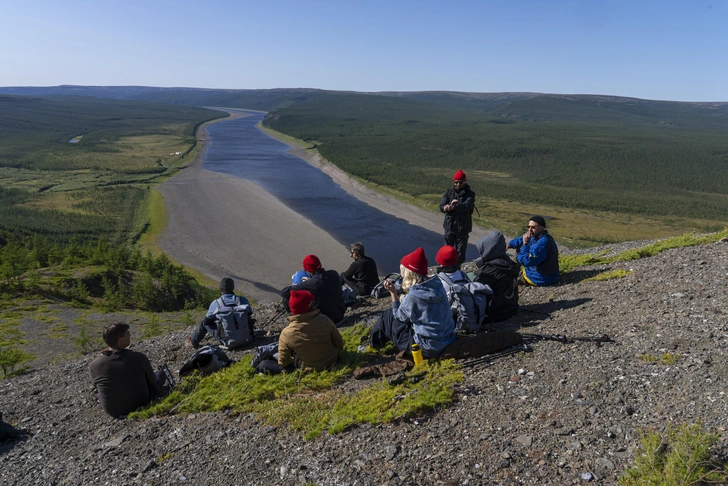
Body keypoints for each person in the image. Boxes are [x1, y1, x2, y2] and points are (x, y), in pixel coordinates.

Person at [369, 247, 455, 358]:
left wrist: (393, 293)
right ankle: (376, 342)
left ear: (409, 273)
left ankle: (373, 345)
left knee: (388, 315)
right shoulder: (438, 285)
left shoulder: (413, 297)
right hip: (448, 339)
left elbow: (399, 316)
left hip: (427, 348)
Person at [255, 290, 344, 374]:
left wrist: (295, 358)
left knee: (263, 364)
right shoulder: (324, 320)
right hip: (332, 361)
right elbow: (339, 343)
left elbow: (283, 362)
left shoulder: (287, 333)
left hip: (308, 369)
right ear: (310, 305)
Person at [89, 323, 165, 418]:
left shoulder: (94, 365)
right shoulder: (139, 358)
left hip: (113, 411)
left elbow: (96, 386)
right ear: (120, 340)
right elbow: (152, 381)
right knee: (160, 374)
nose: (130, 335)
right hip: (141, 403)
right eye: (127, 333)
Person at [189, 277, 253, 349]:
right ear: (233, 287)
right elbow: (249, 314)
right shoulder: (243, 300)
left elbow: (207, 322)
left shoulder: (216, 303)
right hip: (247, 338)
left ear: (221, 289)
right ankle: (244, 334)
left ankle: (193, 342)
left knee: (203, 322)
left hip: (228, 341)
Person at [281, 255, 346, 324]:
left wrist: (304, 284)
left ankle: (296, 322)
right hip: (340, 315)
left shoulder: (313, 283)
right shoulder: (334, 273)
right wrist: (309, 282)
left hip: (326, 320)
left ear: (307, 270)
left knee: (287, 298)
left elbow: (284, 292)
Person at [473, 231, 520, 321]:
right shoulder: (509, 263)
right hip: (510, 309)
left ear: (490, 249)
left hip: (494, 314)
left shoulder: (489, 270)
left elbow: (476, 292)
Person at [507, 215, 559, 286]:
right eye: (528, 227)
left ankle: (515, 274)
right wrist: (509, 244)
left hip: (540, 278)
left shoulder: (542, 243)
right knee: (520, 246)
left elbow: (526, 261)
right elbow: (522, 238)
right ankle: (515, 269)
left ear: (542, 228)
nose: (530, 230)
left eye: (533, 227)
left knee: (507, 279)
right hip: (548, 273)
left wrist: (525, 244)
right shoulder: (538, 235)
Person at [439, 170, 476, 268]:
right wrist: (445, 207)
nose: (458, 184)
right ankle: (445, 268)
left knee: (460, 252)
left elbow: (467, 206)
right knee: (446, 249)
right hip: (450, 226)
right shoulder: (448, 192)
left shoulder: (470, 194)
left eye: (460, 182)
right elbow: (441, 206)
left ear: (465, 182)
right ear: (453, 182)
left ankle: (457, 269)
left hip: (463, 228)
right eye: (456, 182)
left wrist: (454, 207)